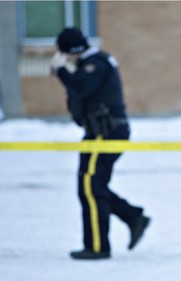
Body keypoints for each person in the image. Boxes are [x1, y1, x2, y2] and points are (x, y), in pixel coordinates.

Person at [50, 27, 150, 260]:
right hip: (99, 134)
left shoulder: (96, 63)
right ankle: (133, 217)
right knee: (92, 186)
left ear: (69, 51)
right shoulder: (90, 63)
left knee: (91, 187)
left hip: (105, 135)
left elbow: (80, 89)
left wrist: (61, 71)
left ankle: (97, 246)